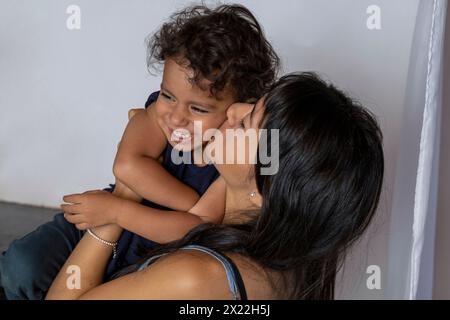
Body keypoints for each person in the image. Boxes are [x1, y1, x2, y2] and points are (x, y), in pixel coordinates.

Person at [0, 4, 279, 299]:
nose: (176, 117)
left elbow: (194, 229)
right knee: (19, 266)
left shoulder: (230, 160)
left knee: (100, 289)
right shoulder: (160, 117)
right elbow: (127, 166)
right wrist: (189, 203)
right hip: (101, 218)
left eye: (198, 108)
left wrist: (121, 211)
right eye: (167, 96)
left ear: (240, 107)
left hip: (153, 252)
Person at [46, 72, 385, 299]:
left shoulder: (197, 276)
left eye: (247, 120)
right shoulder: (295, 259)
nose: (233, 110)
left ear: (263, 187)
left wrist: (124, 194)